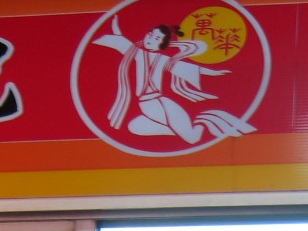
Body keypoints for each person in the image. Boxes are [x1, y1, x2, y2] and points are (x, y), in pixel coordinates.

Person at [92, 21, 255, 144]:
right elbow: (122, 42)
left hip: (158, 102)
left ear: (161, 44)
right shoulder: (137, 53)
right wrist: (115, 29)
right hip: (147, 104)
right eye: (150, 34)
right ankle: (178, 129)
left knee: (192, 139)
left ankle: (203, 121)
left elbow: (190, 69)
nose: (149, 38)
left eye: (156, 38)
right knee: (134, 127)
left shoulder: (163, 60)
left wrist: (215, 72)